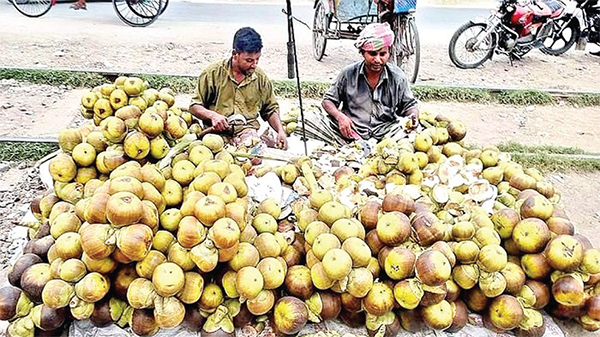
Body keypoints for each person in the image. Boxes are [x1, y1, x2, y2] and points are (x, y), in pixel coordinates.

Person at [189, 27, 288, 150]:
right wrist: (213, 116)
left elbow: (270, 109)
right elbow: (194, 106)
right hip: (216, 133)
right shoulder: (213, 73)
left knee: (254, 157)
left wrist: (280, 131)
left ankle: (262, 141)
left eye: (258, 59)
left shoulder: (260, 78)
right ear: (235, 55)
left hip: (246, 130)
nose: (254, 65)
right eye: (249, 60)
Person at [321, 23, 419, 142]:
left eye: (382, 54)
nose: (377, 60)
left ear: (389, 54)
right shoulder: (348, 73)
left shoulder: (397, 77)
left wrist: (413, 116)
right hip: (352, 131)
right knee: (312, 121)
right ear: (363, 53)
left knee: (416, 133)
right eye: (372, 54)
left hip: (387, 133)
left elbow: (409, 105)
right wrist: (340, 117)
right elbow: (328, 101)